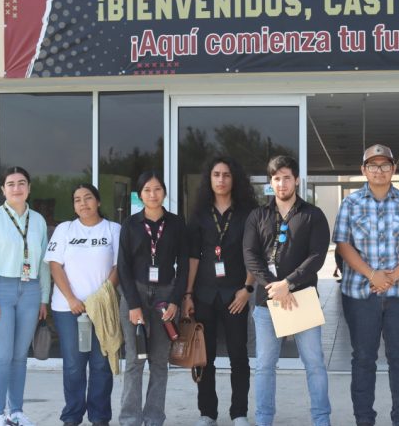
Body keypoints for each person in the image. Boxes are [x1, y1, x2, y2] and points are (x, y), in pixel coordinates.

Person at [333, 144, 399, 426]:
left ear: (393, 169)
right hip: (360, 295)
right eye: (372, 165)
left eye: (384, 165)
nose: (379, 170)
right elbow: (342, 244)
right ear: (364, 170)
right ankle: (364, 420)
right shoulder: (351, 203)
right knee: (363, 359)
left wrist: (393, 276)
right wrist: (372, 274)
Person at [243, 155, 332, 426]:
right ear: (270, 183)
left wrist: (288, 283)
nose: (281, 183)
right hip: (266, 302)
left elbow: (317, 256)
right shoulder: (258, 215)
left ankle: (321, 419)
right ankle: (264, 420)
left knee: (314, 363)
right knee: (265, 366)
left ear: (296, 180)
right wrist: (274, 287)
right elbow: (250, 255)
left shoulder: (312, 215)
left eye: (286, 177)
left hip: (302, 298)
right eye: (276, 178)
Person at [183, 156, 257, 426]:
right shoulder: (200, 214)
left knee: (239, 356)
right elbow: (193, 257)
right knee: (204, 357)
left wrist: (247, 289)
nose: (221, 179)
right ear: (210, 179)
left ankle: (239, 413)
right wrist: (188, 294)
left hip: (236, 294)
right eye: (216, 174)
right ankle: (207, 413)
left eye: (226, 174)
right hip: (204, 294)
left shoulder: (248, 213)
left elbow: (253, 254)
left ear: (233, 179)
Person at [0, 166, 50, 426]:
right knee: (0, 355)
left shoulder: (38, 221)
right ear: (3, 190)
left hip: (30, 291)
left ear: (29, 187)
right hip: (0, 289)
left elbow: (43, 263)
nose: (16, 188)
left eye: (21, 183)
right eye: (10, 184)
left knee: (19, 356)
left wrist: (44, 298)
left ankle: (17, 411)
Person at [46, 184, 121, 426]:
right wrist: (71, 299)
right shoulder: (64, 229)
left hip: (102, 309)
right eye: (77, 199)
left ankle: (99, 417)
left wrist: (98, 299)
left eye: (88, 198)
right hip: (68, 309)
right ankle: (72, 416)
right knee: (74, 366)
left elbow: (118, 267)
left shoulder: (113, 230)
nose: (83, 203)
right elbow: (55, 265)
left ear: (98, 202)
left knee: (101, 364)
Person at [117, 171, 189, 426]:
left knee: (159, 362)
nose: (153, 194)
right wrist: (133, 305)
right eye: (147, 190)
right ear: (140, 194)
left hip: (165, 295)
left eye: (157, 189)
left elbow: (184, 265)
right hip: (135, 293)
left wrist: (175, 300)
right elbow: (123, 266)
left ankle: (154, 417)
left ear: (164, 193)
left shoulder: (177, 223)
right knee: (135, 362)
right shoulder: (130, 224)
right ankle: (129, 419)